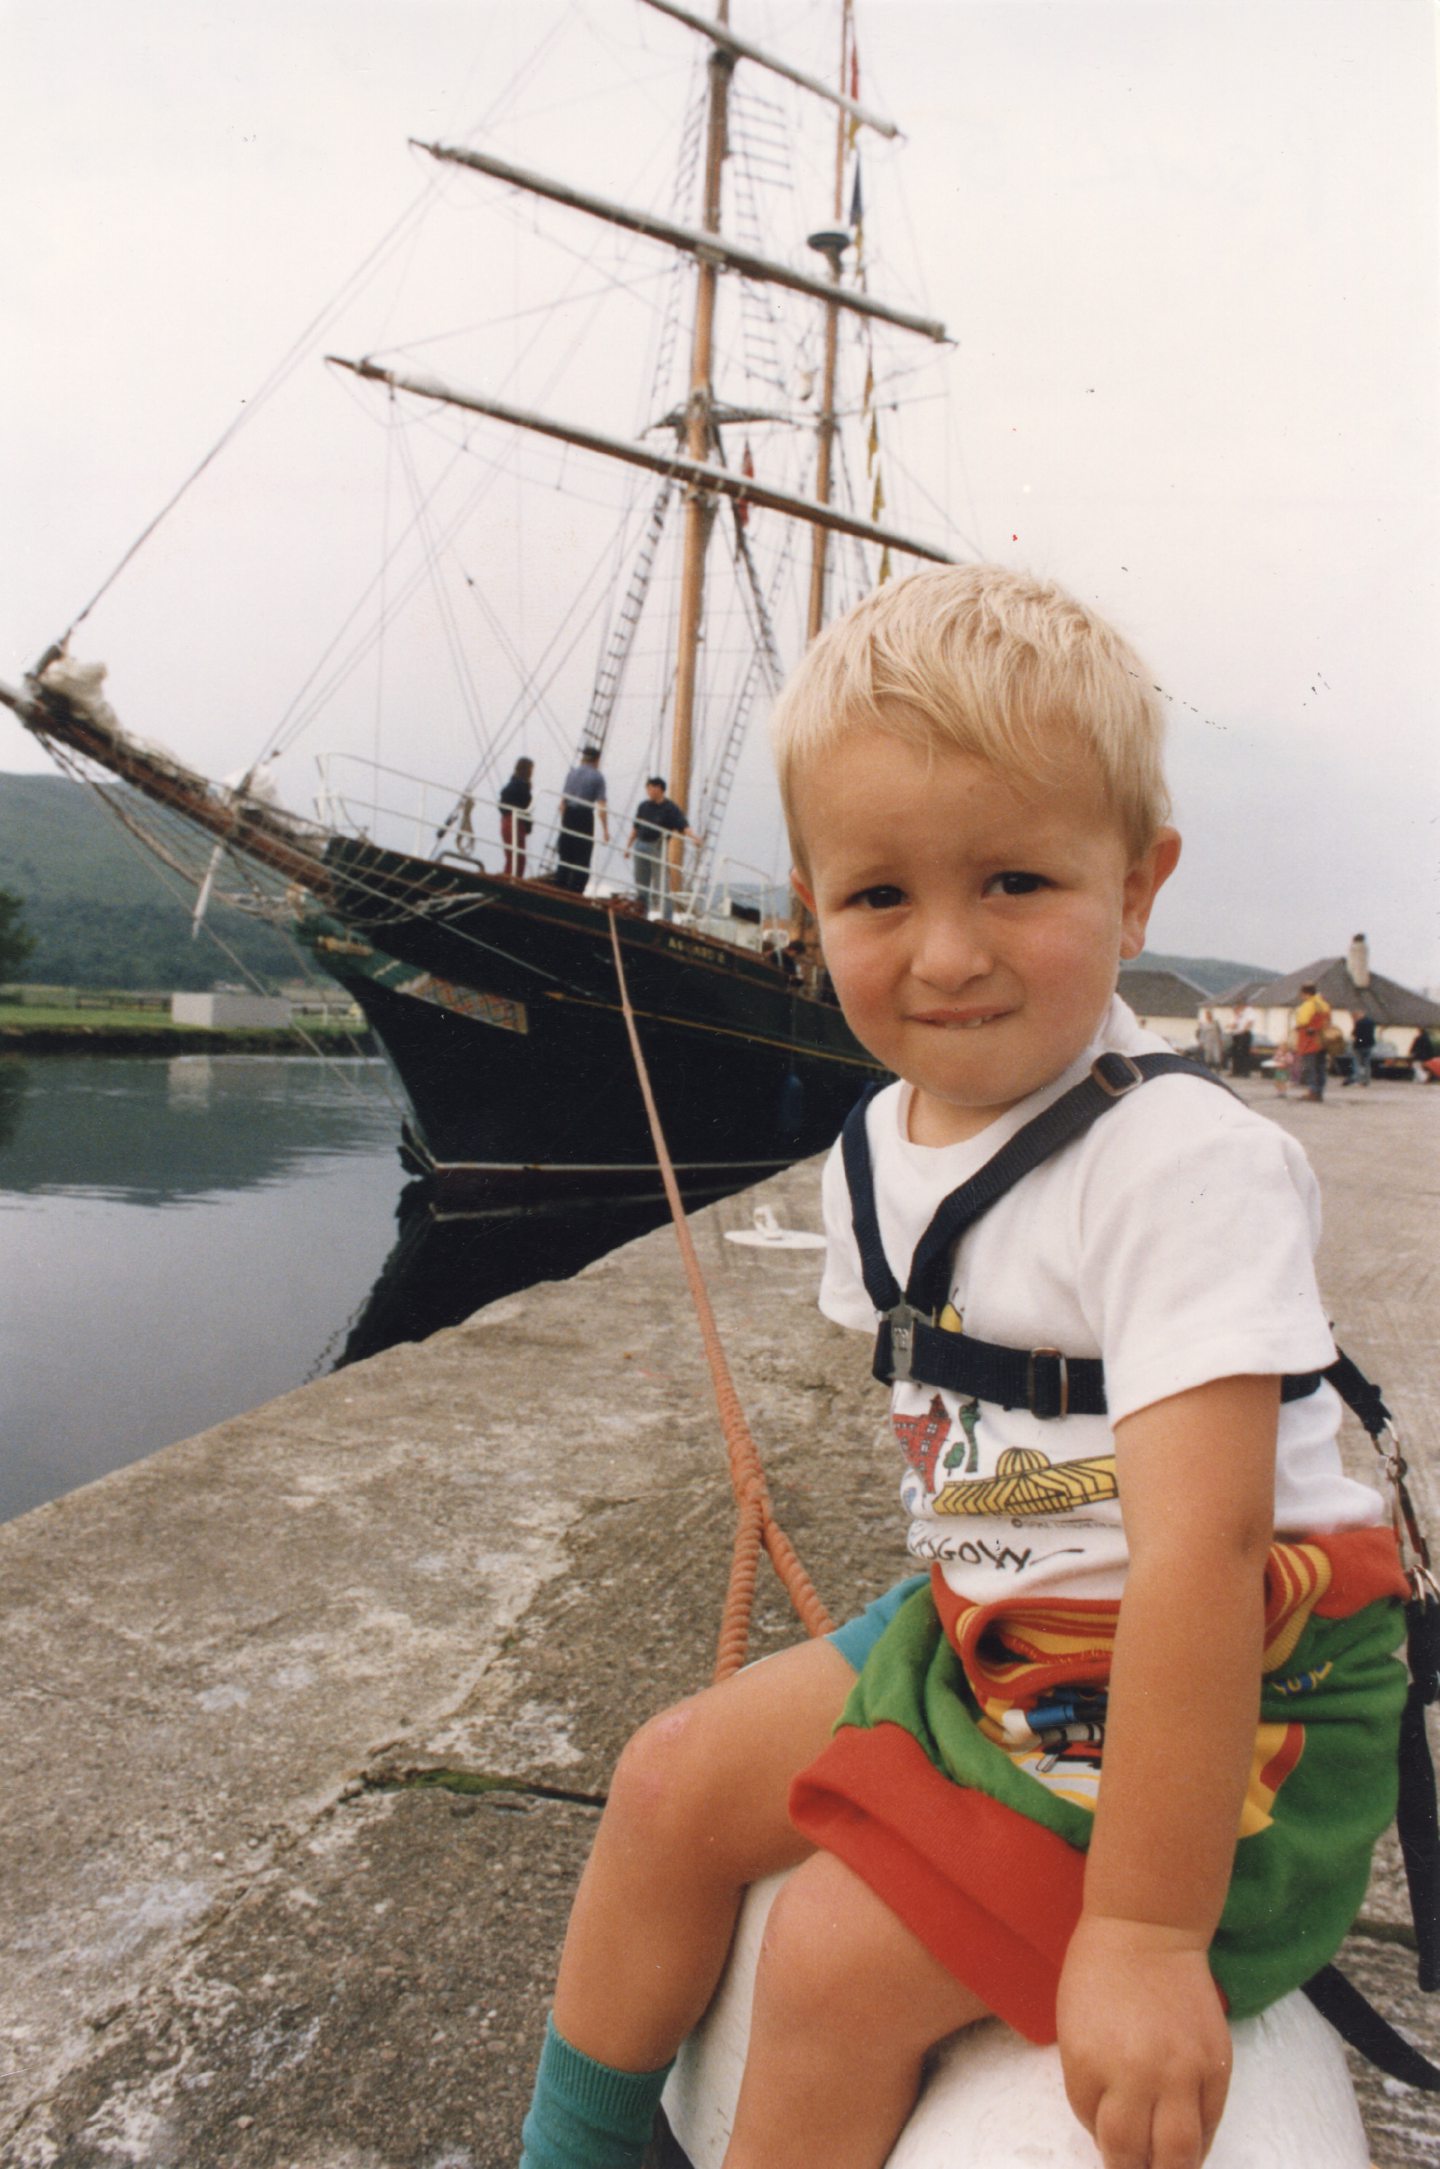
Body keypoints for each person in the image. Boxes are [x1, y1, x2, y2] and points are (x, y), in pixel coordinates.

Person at [519, 566, 1405, 2169]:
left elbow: (1201, 1554)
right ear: (810, 910)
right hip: (992, 1616)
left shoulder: (1178, 1169)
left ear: (1139, 890)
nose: (944, 955)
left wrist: (1139, 1932)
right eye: (878, 899)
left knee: (840, 1962)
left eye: (1013, 881)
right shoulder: (881, 1146)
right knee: (667, 1783)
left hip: (1219, 1677)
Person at [622, 775, 699, 919]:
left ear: (659, 789)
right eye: (647, 788)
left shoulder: (670, 808)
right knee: (641, 883)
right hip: (640, 845)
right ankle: (642, 915)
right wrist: (628, 847)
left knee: (662, 884)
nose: (648, 791)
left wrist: (694, 838)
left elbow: (683, 825)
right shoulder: (643, 806)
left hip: (656, 847)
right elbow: (635, 827)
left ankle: (667, 918)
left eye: (650, 788)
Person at [554, 746, 608, 893]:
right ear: (597, 760)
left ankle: (560, 888)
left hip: (569, 816)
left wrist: (564, 823)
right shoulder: (597, 777)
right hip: (584, 816)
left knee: (565, 857)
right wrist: (605, 830)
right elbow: (601, 807)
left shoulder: (571, 774)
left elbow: (562, 803)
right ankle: (575, 893)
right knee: (582, 860)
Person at [1293, 982, 1332, 1101]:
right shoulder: (1325, 1004)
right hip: (1322, 1040)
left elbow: (1302, 1021)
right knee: (1320, 1067)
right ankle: (1319, 1092)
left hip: (1309, 1040)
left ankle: (1312, 1092)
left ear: (1305, 993)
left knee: (1311, 1067)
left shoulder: (1308, 1005)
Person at [498, 757, 535, 879]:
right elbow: (524, 806)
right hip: (515, 822)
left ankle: (510, 878)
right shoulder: (521, 787)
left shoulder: (513, 785)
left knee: (514, 857)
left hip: (509, 821)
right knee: (517, 858)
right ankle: (511, 880)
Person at [1346, 1008, 1375, 1088]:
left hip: (1359, 1046)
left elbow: (1354, 1034)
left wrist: (1354, 1024)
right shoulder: (1371, 1022)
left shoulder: (1359, 1023)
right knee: (1367, 1064)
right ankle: (1366, 1081)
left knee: (1357, 1064)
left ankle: (1359, 1081)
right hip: (1369, 1045)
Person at [1229, 1001, 1256, 1079]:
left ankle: (1245, 1072)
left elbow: (1250, 1022)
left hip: (1244, 1034)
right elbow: (1234, 1025)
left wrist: (1243, 1031)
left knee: (1244, 1054)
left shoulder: (1249, 1011)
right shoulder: (1238, 1015)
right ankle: (1236, 1071)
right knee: (1236, 1054)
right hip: (1236, 1035)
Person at [1197, 1006, 1224, 1071]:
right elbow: (1202, 1034)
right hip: (1207, 1040)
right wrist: (1201, 1042)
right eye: (1207, 1015)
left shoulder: (1216, 1023)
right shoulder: (1204, 1024)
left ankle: (1218, 1068)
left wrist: (1221, 1040)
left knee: (1216, 1054)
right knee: (1208, 1054)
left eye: (1210, 1014)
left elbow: (1220, 1032)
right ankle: (1208, 1068)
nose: (1209, 1016)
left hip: (1215, 1040)